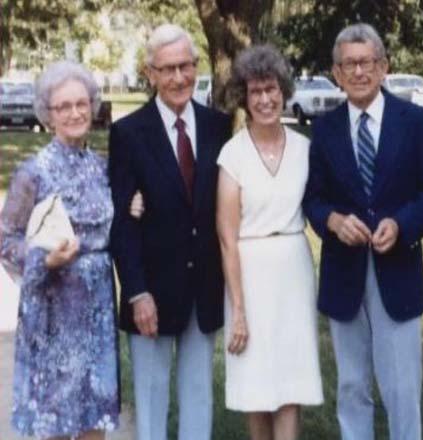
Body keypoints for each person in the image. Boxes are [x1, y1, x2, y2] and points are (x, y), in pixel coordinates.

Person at [303, 23, 423, 440]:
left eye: (366, 62)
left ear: (383, 67)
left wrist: (403, 224)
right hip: (343, 273)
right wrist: (332, 221)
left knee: (402, 386)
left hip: (398, 268)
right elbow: (312, 198)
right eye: (348, 64)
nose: (358, 72)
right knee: (351, 385)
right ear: (336, 73)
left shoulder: (416, 122)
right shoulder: (324, 128)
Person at [108, 24, 232, 440]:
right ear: (150, 74)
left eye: (186, 66)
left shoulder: (219, 125)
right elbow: (122, 223)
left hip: (203, 287)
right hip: (152, 293)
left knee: (199, 393)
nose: (179, 78)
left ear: (196, 67)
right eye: (168, 69)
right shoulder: (128, 134)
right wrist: (137, 291)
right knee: (151, 395)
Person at [0, 60, 119, 440]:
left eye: (81, 103)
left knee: (92, 418)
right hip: (51, 310)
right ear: (48, 116)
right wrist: (43, 259)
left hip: (96, 309)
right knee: (53, 419)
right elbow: (6, 241)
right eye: (63, 107)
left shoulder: (102, 169)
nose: (75, 113)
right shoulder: (32, 172)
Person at [216, 45, 323, 440]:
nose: (265, 99)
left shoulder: (305, 149)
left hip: (293, 269)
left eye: (271, 89)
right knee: (256, 386)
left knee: (291, 382)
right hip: (250, 273)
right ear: (243, 98)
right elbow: (227, 238)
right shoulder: (233, 155)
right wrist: (239, 308)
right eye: (255, 92)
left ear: (284, 90)